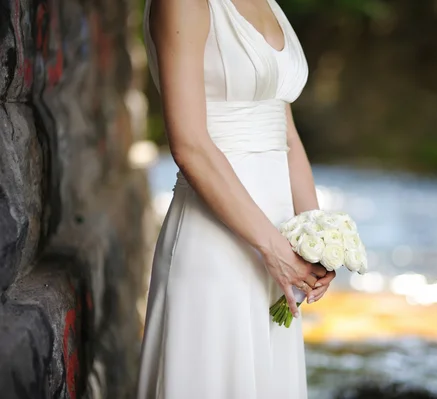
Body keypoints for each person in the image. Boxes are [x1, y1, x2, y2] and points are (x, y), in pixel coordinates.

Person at [137, 0, 336, 397]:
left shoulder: (270, 4)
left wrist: (318, 238)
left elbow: (287, 137)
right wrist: (271, 246)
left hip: (278, 248)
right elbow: (190, 145)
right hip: (215, 242)